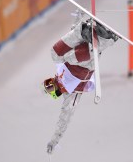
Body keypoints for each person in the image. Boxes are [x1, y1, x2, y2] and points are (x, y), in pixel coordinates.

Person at [43, 10, 118, 154]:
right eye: (53, 86)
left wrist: (77, 21)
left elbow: (68, 41)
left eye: (51, 82)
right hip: (87, 63)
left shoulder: (59, 72)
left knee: (56, 54)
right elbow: (64, 119)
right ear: (56, 91)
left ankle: (85, 31)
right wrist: (54, 141)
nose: (55, 83)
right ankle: (105, 39)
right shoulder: (71, 95)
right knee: (70, 58)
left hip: (82, 45)